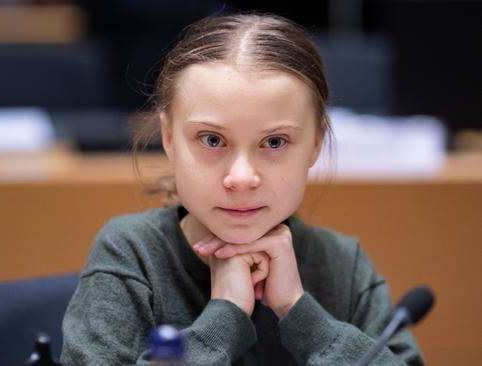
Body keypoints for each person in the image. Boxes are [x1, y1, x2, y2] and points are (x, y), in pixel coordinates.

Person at [60, 13, 424, 365]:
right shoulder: (131, 254)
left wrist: (301, 314)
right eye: (213, 139)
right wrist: (225, 317)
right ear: (169, 138)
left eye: (275, 142)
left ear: (315, 144)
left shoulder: (343, 265)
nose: (242, 177)